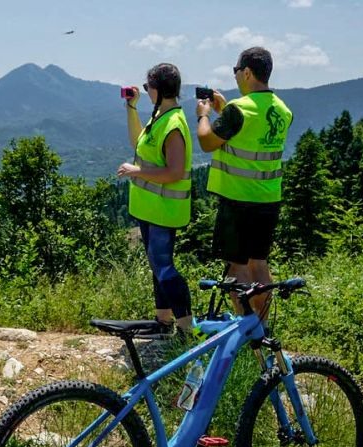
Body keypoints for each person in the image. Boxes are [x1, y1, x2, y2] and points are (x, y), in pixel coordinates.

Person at [196, 47, 292, 321]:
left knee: (236, 266)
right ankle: (261, 326)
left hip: (237, 198)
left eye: (236, 71)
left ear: (247, 72)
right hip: (268, 198)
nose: (236, 75)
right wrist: (224, 109)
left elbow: (206, 141)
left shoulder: (240, 109)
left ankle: (244, 328)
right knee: (259, 263)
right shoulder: (283, 110)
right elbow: (251, 133)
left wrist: (204, 114)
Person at [117, 63, 194, 335]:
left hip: (164, 209)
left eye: (148, 86)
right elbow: (139, 142)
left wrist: (136, 171)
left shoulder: (173, 124)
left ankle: (187, 329)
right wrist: (131, 108)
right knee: (156, 265)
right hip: (151, 207)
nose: (147, 90)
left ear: (159, 89)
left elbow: (175, 171)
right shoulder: (160, 116)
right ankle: (163, 322)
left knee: (164, 266)